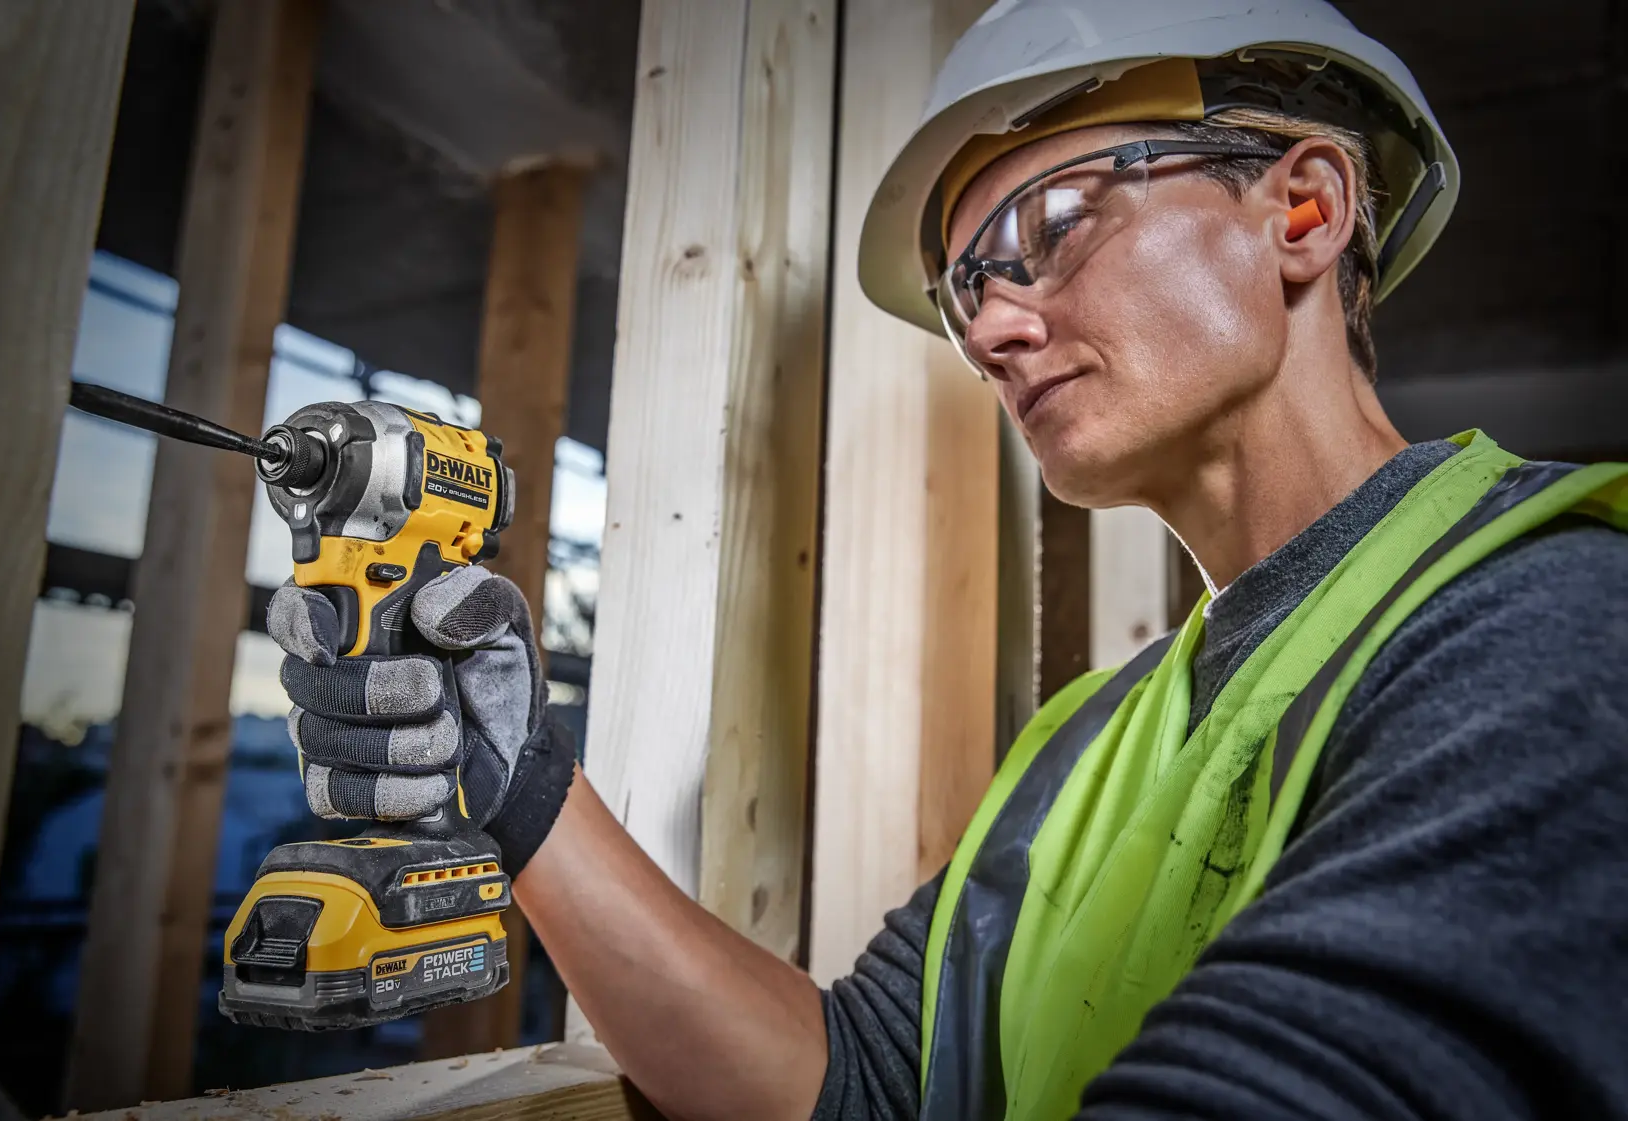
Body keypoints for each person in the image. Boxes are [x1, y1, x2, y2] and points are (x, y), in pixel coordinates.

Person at [266, 1, 1628, 1118]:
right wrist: (522, 787)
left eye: (1048, 227)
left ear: (1304, 213)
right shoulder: (1088, 746)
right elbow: (851, 1079)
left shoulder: (1556, 630)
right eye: (968, 288)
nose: (990, 334)